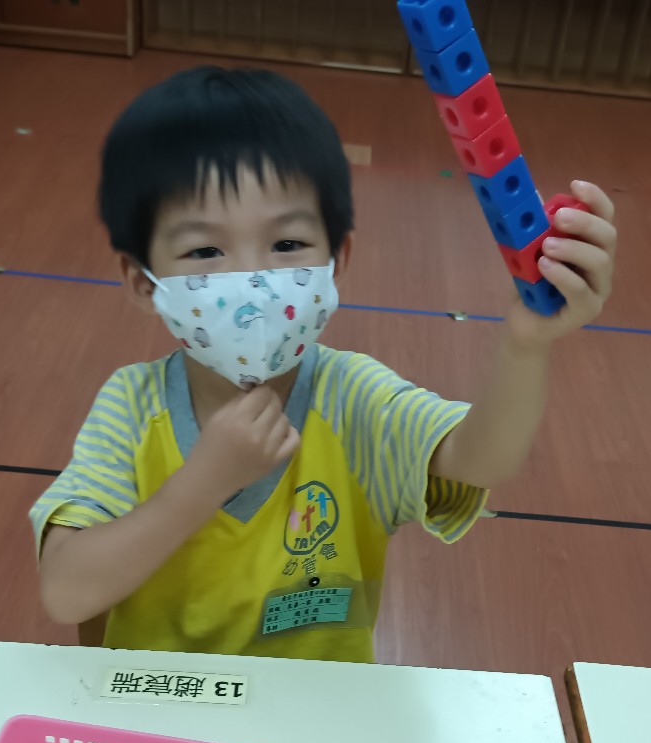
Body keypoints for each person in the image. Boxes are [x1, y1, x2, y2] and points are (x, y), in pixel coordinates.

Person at [30, 65, 616, 663]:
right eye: (205, 250)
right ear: (141, 280)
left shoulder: (350, 398)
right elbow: (66, 591)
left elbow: (481, 457)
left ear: (337, 260)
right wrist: (204, 481)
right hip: (163, 712)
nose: (253, 281)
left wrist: (526, 345)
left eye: (286, 245)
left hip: (318, 715)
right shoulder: (132, 409)